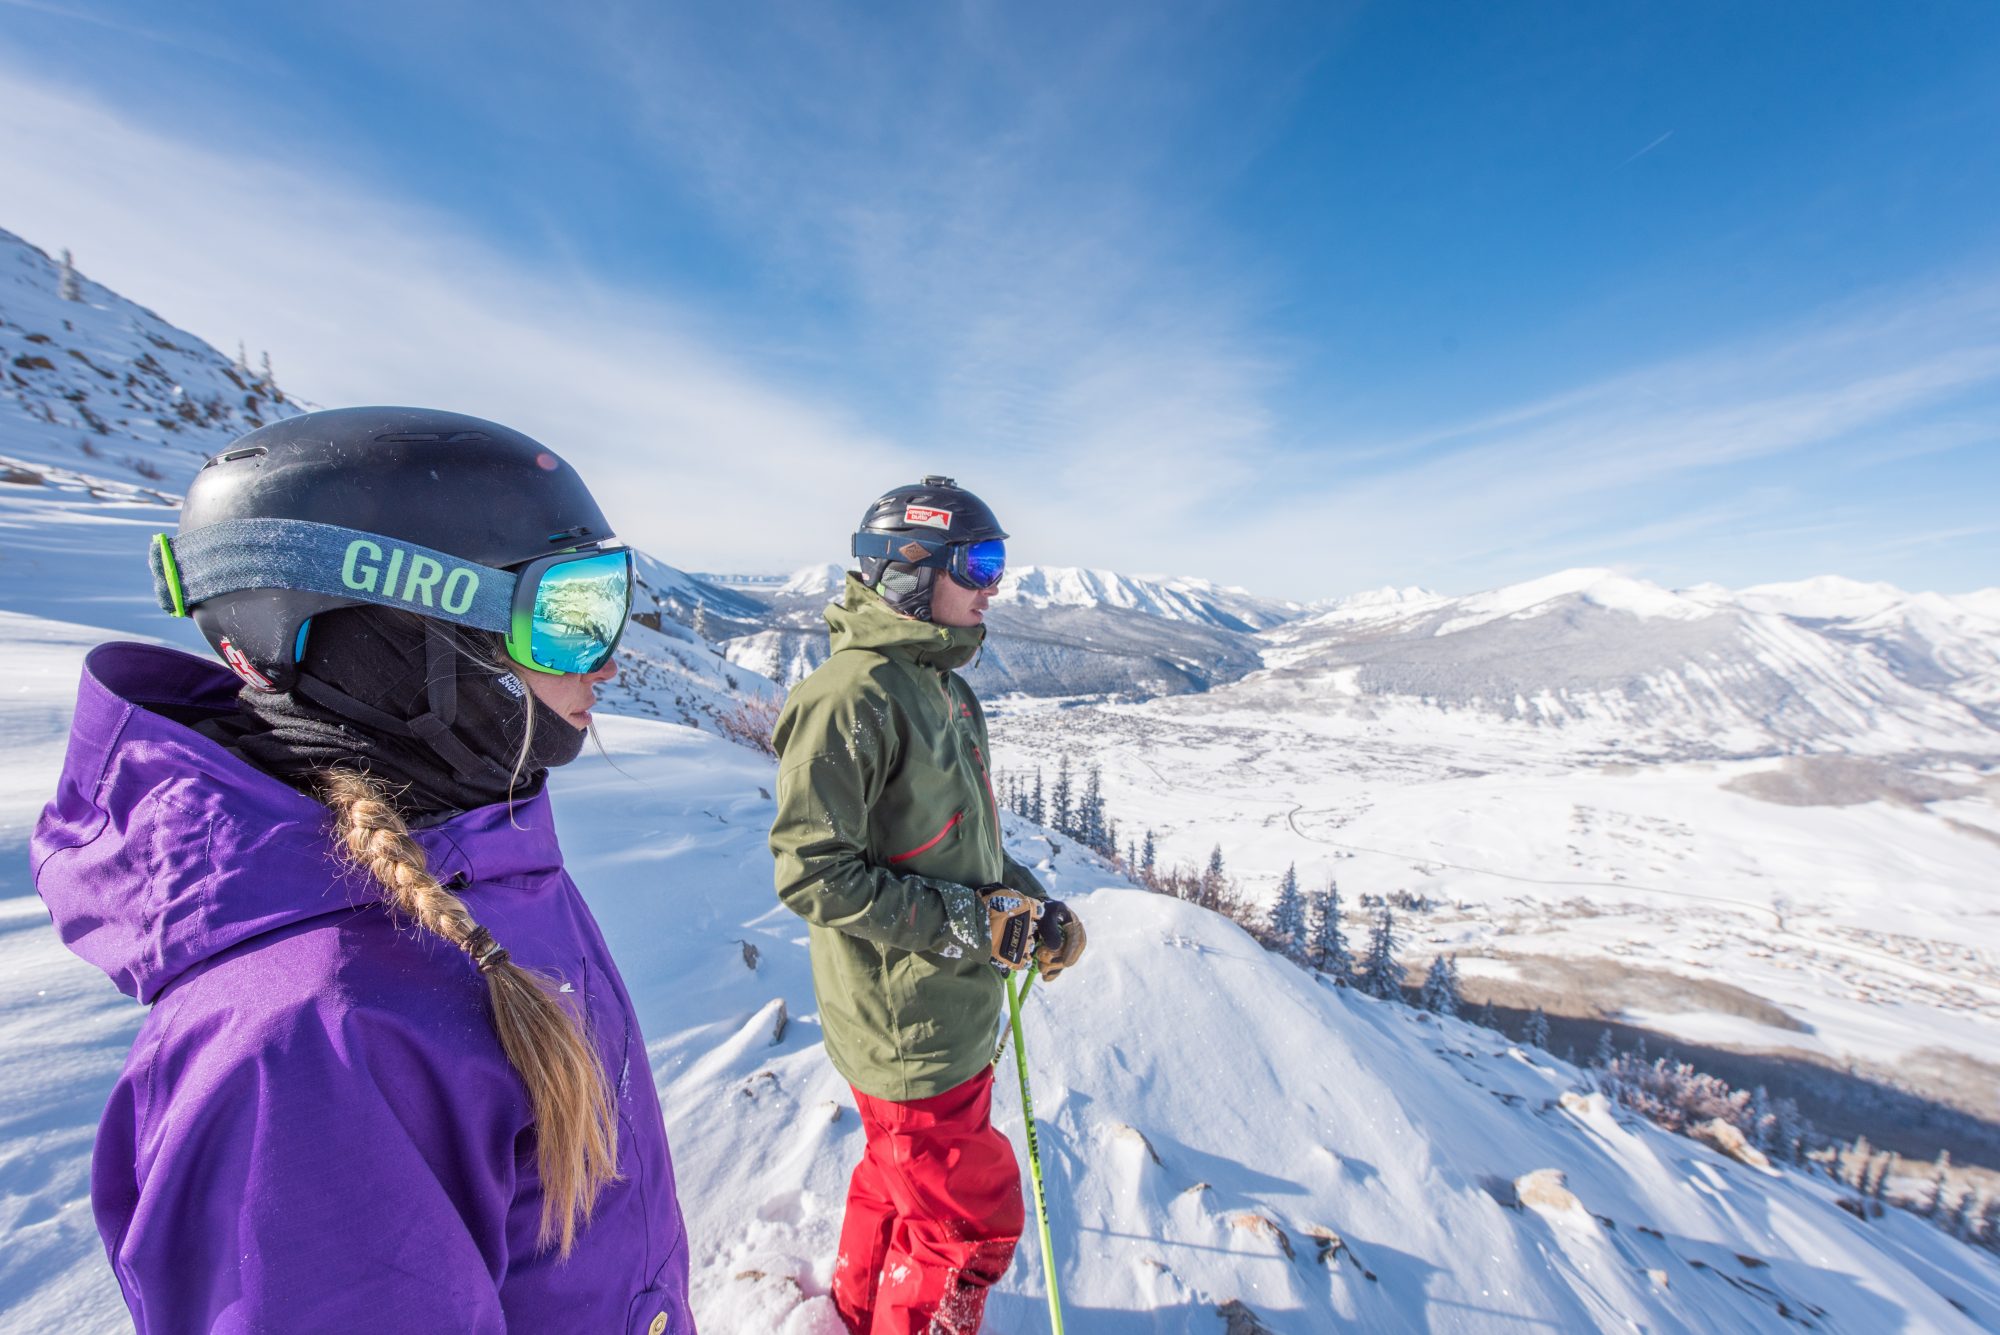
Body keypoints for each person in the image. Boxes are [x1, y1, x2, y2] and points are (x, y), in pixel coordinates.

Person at [32, 408, 694, 1334]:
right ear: (401, 636)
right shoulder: (305, 1045)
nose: (611, 658)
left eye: (607, 599)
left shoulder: (482, 850)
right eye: (566, 615)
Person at [769, 476, 1087, 1333]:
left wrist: (1028, 904)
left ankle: (855, 1309)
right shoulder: (852, 697)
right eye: (978, 562)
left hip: (947, 1009)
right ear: (908, 570)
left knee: (897, 1177)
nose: (995, 584)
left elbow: (957, 846)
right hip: (907, 1021)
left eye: (1000, 561)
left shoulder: (940, 686)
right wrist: (972, 923)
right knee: (965, 1229)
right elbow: (811, 872)